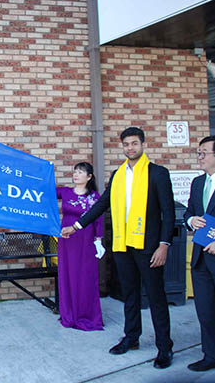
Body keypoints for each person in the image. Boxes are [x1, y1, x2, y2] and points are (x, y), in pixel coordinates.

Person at [62, 127, 175, 369]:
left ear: (143, 144)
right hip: (123, 245)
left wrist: (164, 244)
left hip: (149, 246)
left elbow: (168, 212)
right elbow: (102, 203)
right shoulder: (118, 175)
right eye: (126, 144)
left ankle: (164, 347)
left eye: (134, 143)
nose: (130, 148)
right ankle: (132, 337)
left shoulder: (157, 173)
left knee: (156, 297)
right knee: (129, 295)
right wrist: (77, 225)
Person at [183, 135, 215, 372]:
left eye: (204, 152)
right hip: (201, 258)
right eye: (199, 152)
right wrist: (191, 220)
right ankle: (213, 356)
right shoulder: (197, 183)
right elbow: (190, 213)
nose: (200, 157)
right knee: (206, 311)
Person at [56, 162, 104, 331]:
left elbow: (98, 219)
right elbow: (44, 194)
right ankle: (69, 314)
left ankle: (86, 314)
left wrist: (99, 240)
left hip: (86, 240)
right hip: (67, 239)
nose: (76, 175)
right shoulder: (65, 192)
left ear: (89, 177)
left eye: (81, 172)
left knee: (85, 276)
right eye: (75, 172)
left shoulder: (95, 197)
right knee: (67, 275)